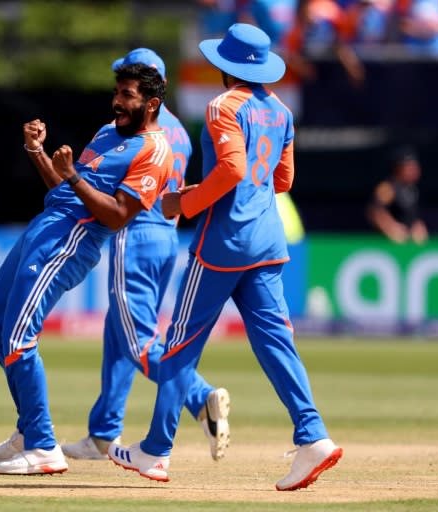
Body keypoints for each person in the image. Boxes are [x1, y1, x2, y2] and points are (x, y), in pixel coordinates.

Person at [107, 23, 343, 491]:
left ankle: (155, 450)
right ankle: (312, 434)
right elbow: (282, 180)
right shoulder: (280, 110)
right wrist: (230, 191)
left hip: (222, 245)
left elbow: (234, 167)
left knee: (178, 345)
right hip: (268, 241)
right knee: (276, 344)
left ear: (224, 66)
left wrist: (187, 202)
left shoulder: (221, 106)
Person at [0, 63, 173, 475]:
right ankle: (29, 427)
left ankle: (43, 446)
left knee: (18, 334)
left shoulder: (155, 151)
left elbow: (118, 215)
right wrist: (38, 152)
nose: (117, 102)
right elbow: (66, 189)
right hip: (46, 226)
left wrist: (72, 175)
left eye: (128, 95)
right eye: (117, 92)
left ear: (152, 103)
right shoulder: (109, 132)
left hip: (73, 241)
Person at [60, 48, 231, 463]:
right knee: (118, 331)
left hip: (133, 235)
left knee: (137, 341)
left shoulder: (128, 129)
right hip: (165, 239)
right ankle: (103, 434)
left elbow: (103, 184)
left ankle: (199, 396)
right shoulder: (180, 132)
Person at [367, 145, 429, 244]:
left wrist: (417, 225)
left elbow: (410, 216)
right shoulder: (388, 187)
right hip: (387, 245)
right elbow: (375, 211)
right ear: (398, 168)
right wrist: (391, 227)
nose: (414, 170)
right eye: (409, 166)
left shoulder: (412, 189)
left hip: (409, 243)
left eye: (415, 166)